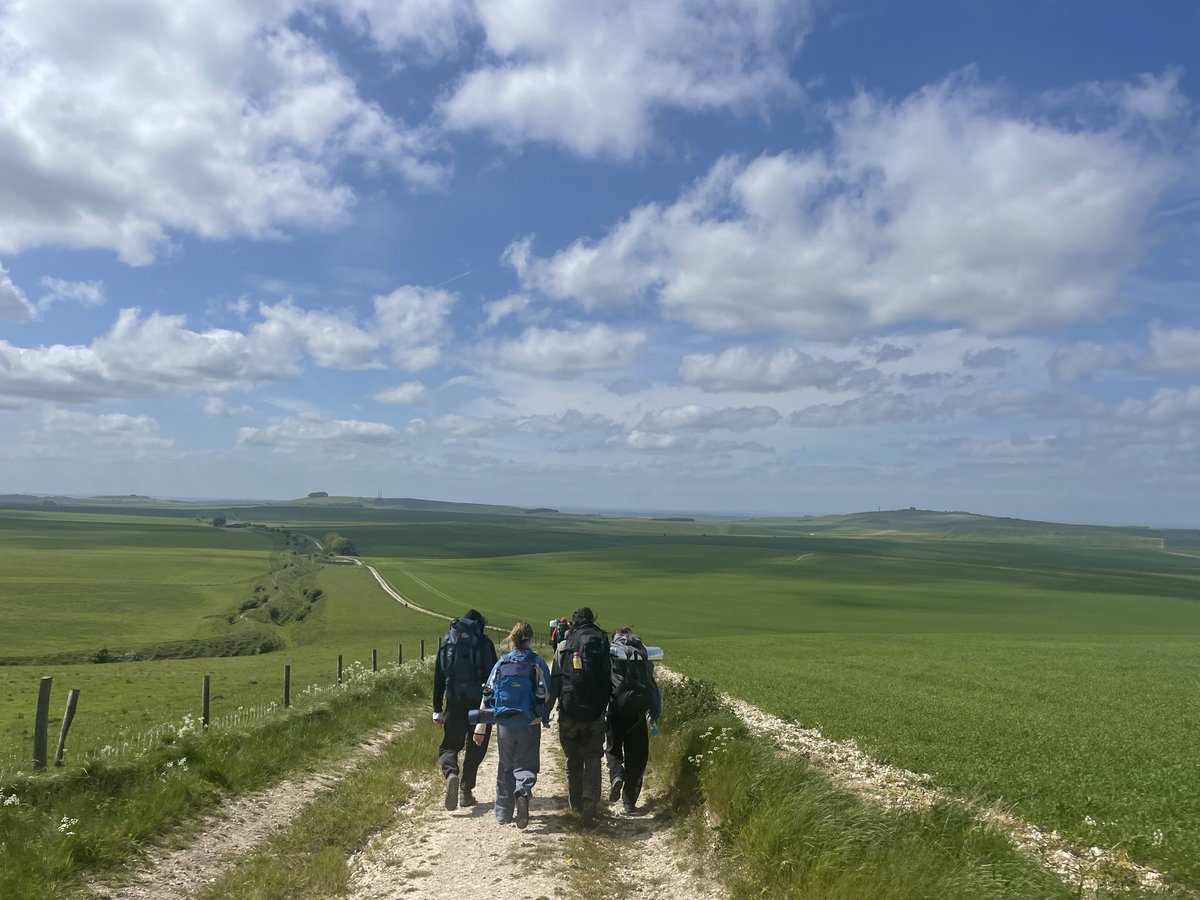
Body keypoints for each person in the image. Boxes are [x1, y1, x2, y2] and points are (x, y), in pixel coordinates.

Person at [473, 621, 551, 828]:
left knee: (505, 766)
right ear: (531, 639)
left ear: (512, 639)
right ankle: (523, 793)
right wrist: (544, 717)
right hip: (529, 720)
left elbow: (487, 693)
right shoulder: (537, 662)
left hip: (504, 721)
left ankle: (503, 813)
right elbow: (548, 693)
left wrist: (480, 728)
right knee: (526, 763)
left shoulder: (502, 663)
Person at [548, 606, 611, 826]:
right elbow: (607, 676)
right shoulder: (602, 640)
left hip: (569, 709)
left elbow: (555, 681)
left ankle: (574, 803)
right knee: (593, 757)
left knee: (572, 758)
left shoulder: (564, 644)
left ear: (573, 623)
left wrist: (546, 711)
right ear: (592, 620)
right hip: (594, 710)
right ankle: (589, 803)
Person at [433, 609, 498, 811]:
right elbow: (495, 676)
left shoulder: (447, 643)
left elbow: (438, 677)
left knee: (449, 746)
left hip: (454, 702)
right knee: (477, 746)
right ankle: (465, 791)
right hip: (479, 704)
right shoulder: (485, 644)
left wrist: (437, 709)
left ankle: (451, 773)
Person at [605, 627, 661, 814]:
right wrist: (654, 713)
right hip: (638, 714)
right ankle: (629, 802)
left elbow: (604, 682)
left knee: (613, 750)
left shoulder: (612, 652)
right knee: (637, 758)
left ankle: (616, 775)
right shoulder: (641, 653)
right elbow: (651, 684)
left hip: (616, 711)